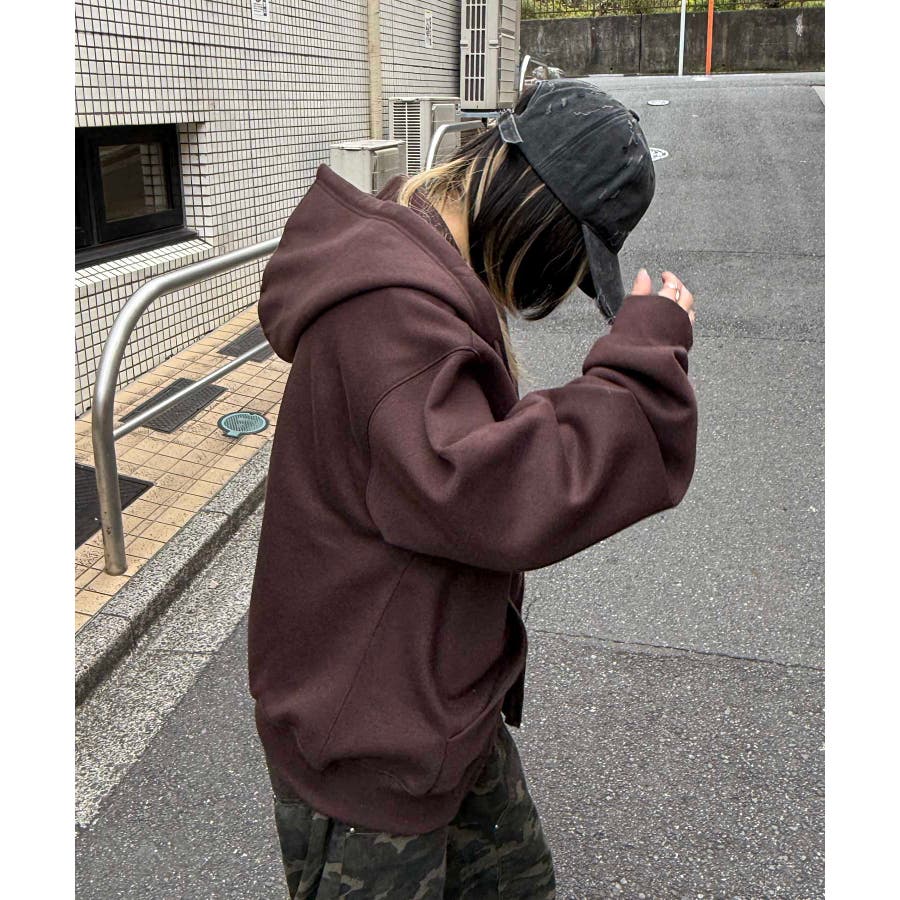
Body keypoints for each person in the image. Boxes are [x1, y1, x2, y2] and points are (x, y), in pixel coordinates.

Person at [248, 80, 697, 899]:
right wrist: (641, 370)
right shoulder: (392, 310)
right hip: (370, 747)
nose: (553, 290)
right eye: (567, 262)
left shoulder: (413, 260)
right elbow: (487, 487)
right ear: (539, 218)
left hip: (437, 705)